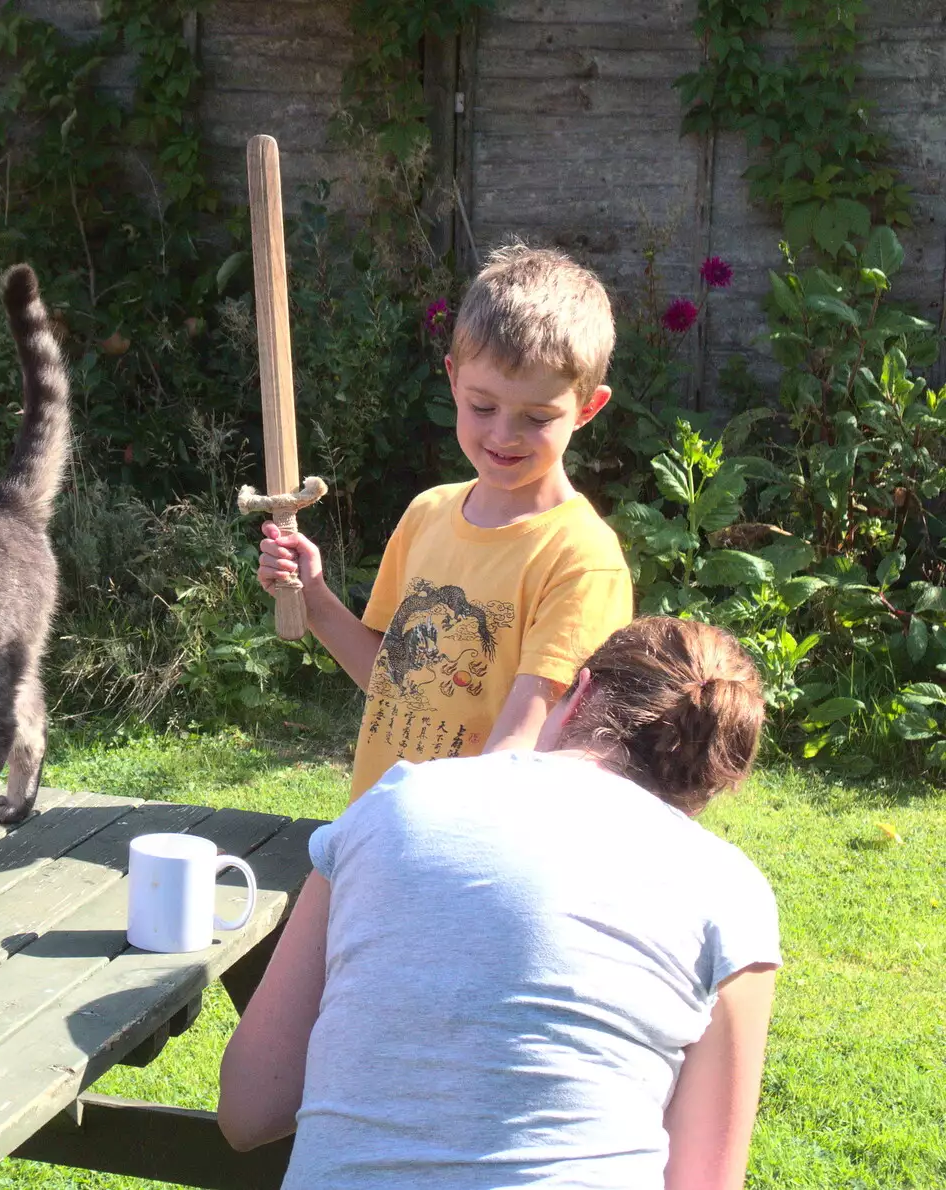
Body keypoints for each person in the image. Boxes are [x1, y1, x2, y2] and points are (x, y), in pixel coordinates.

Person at [219, 617, 780, 1190]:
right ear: (703, 786)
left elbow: (250, 1107)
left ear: (580, 692)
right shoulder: (730, 889)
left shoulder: (394, 804)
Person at [258, 244, 633, 797]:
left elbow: (525, 745)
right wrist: (313, 595)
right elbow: (392, 682)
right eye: (483, 407)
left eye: (536, 417)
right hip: (383, 828)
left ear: (587, 409)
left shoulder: (582, 559)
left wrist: (434, 840)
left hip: (477, 853)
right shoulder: (427, 514)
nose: (503, 435)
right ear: (454, 380)